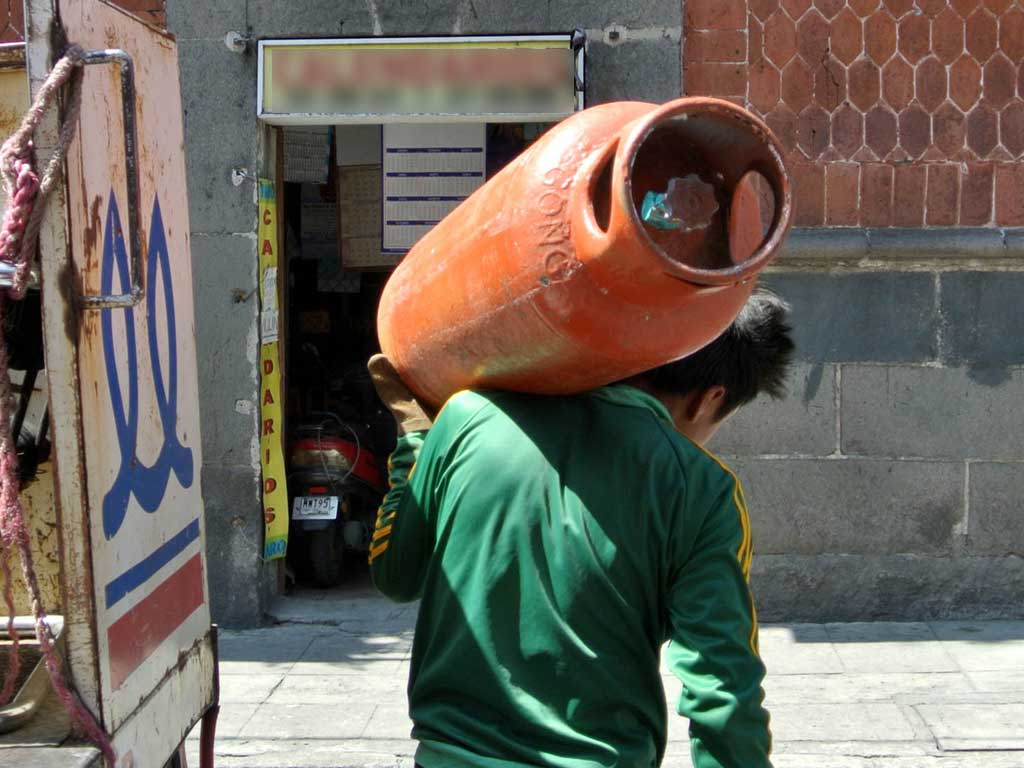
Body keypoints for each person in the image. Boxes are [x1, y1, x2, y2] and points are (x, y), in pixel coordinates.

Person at [367, 287, 794, 768]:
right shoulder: (702, 488)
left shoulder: (466, 419)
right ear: (710, 398)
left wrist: (417, 446)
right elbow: (721, 689)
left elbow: (395, 575)